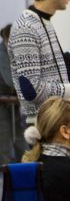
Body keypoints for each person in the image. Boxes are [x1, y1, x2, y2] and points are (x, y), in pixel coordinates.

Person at [0, 23, 28, 163]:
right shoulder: (2, 53)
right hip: (3, 102)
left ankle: (27, 170)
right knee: (4, 141)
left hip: (13, 101)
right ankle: (7, 178)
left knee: (19, 138)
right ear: (5, 38)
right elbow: (9, 80)